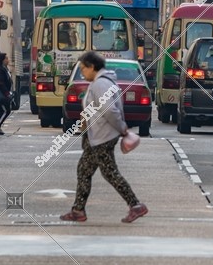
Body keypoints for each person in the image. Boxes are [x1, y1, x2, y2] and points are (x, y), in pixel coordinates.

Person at [60, 52, 147, 224]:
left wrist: (122, 129)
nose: (83, 72)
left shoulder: (101, 84)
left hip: (102, 136)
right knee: (84, 170)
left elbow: (109, 110)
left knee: (109, 173)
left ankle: (136, 205)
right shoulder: (101, 83)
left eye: (84, 68)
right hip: (97, 135)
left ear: (92, 67)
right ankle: (78, 210)